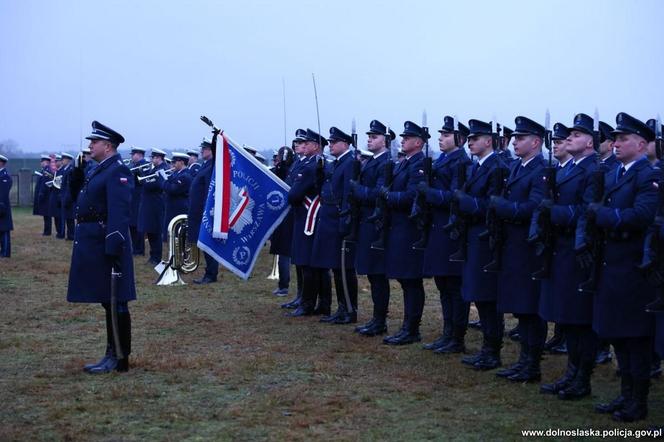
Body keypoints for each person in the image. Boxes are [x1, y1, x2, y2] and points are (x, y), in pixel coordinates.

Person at [582, 113, 658, 422]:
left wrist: (603, 216)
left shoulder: (648, 175)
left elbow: (643, 216)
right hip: (611, 264)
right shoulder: (613, 173)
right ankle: (625, 395)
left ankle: (637, 402)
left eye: (623, 139)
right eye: (615, 138)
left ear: (641, 144)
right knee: (618, 336)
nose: (616, 143)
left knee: (635, 338)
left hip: (632, 267)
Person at [67, 121, 135, 373]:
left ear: (108, 146)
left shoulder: (118, 171)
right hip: (95, 242)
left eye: (93, 142)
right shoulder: (99, 169)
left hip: (108, 244)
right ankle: (111, 352)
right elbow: (79, 199)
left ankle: (119, 357)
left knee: (116, 300)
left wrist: (114, 245)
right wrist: (75, 176)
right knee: (108, 300)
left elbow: (119, 212)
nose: (89, 146)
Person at [490, 116, 546, 382]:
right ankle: (524, 360)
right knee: (521, 309)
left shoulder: (541, 170)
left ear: (535, 142)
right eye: (514, 138)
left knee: (530, 308)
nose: (514, 142)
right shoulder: (518, 167)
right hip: (513, 246)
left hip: (527, 247)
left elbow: (533, 208)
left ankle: (532, 364)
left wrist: (503, 208)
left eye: (520, 138)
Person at [456, 119, 507, 369]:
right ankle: (488, 348)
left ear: (489, 140)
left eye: (475, 139)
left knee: (487, 296)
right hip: (473, 235)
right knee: (479, 295)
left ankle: (492, 350)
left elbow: (492, 205)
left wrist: (465, 203)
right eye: (469, 139)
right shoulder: (478, 166)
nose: (470, 143)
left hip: (486, 237)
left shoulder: (496, 166)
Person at [418, 116, 472, 353]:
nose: (440, 138)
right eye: (441, 134)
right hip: (437, 228)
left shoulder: (462, 163)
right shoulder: (442, 160)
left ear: (459, 139)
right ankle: (447, 332)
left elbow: (455, 196)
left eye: (446, 135)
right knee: (442, 283)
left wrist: (429, 194)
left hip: (451, 230)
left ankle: (457, 336)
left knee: (453, 285)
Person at [381, 121, 428, 345]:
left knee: (411, 281)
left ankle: (412, 328)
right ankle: (407, 326)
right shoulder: (404, 163)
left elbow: (412, 195)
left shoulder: (419, 164)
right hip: (397, 227)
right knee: (404, 279)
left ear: (418, 142)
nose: (403, 140)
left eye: (408, 138)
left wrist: (388, 197)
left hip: (409, 228)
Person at [311, 127, 358, 324]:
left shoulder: (350, 163)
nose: (330, 145)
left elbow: (349, 193)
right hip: (329, 218)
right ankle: (341, 308)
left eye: (334, 142)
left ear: (345, 143)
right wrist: (320, 171)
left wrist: (346, 219)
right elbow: (323, 187)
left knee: (344, 268)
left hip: (340, 218)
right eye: (330, 142)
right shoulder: (336, 163)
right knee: (336, 267)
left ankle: (349, 309)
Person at [351, 120, 394, 336]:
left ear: (385, 140)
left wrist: (357, 189)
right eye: (369, 136)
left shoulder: (386, 162)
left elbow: (377, 193)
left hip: (376, 223)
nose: (369, 139)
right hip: (366, 221)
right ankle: (376, 319)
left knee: (378, 274)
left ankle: (380, 320)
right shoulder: (372, 161)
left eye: (374, 136)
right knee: (371, 274)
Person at [286, 129, 332, 317]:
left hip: (308, 218)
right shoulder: (315, 164)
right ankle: (322, 303)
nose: (303, 145)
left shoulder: (312, 166)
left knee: (308, 263)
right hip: (309, 217)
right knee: (316, 265)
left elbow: (294, 194)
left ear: (316, 146)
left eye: (308, 142)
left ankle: (308, 303)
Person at [542, 123, 572, 355]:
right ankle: (560, 335)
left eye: (560, 142)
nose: (556, 146)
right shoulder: (559, 169)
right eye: (555, 142)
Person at [188, 138, 219, 284]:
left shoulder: (213, 165)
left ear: (212, 150)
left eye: (205, 148)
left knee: (207, 243)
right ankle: (209, 272)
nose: (201, 151)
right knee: (203, 242)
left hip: (204, 210)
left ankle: (211, 274)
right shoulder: (205, 165)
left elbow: (210, 188)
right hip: (197, 209)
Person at [269, 146, 295, 295]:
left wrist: (282, 166)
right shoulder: (280, 169)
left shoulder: (288, 170)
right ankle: (282, 284)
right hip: (280, 216)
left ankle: (284, 285)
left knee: (284, 252)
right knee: (281, 251)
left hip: (287, 216)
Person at [138, 148, 168, 265]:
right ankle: (153, 255)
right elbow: (147, 182)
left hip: (155, 204)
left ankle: (157, 257)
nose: (152, 159)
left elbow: (155, 184)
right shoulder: (155, 168)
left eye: (153, 157)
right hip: (149, 204)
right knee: (150, 230)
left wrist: (144, 180)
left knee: (155, 231)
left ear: (159, 158)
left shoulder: (163, 169)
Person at [162, 152, 192, 239]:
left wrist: (163, 180)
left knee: (178, 235)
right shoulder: (177, 174)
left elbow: (172, 189)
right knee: (172, 234)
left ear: (182, 162)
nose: (172, 164)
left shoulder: (185, 176)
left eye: (174, 162)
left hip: (179, 209)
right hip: (173, 208)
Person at [128, 147, 148, 256]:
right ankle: (135, 248)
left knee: (137, 225)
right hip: (133, 198)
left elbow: (143, 181)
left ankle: (140, 250)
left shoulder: (144, 165)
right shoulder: (134, 165)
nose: (131, 156)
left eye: (133, 154)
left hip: (139, 198)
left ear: (139, 155)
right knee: (132, 224)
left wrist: (139, 171)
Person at [33, 154, 53, 236]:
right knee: (45, 214)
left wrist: (42, 193)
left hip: (46, 196)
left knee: (47, 214)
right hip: (44, 195)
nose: (41, 163)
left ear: (46, 161)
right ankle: (46, 230)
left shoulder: (47, 171)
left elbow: (45, 184)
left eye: (42, 161)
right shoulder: (44, 170)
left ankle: (47, 231)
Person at [59, 152, 76, 240]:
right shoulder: (66, 169)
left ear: (68, 160)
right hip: (65, 196)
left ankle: (71, 235)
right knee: (67, 217)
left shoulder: (70, 170)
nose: (62, 161)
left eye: (64, 159)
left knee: (70, 218)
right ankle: (69, 235)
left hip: (68, 198)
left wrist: (67, 199)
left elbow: (70, 186)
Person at [0, 154, 13, 257]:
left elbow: (3, 193)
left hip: (2, 206)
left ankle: (5, 252)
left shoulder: (5, 176)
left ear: (2, 163)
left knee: (4, 230)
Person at [48, 155, 64, 239]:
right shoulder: (57, 171)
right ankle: (58, 232)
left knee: (60, 216)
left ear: (61, 161)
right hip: (55, 195)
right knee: (56, 216)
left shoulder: (62, 171)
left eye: (57, 161)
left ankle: (61, 233)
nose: (56, 163)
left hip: (59, 196)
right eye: (55, 161)